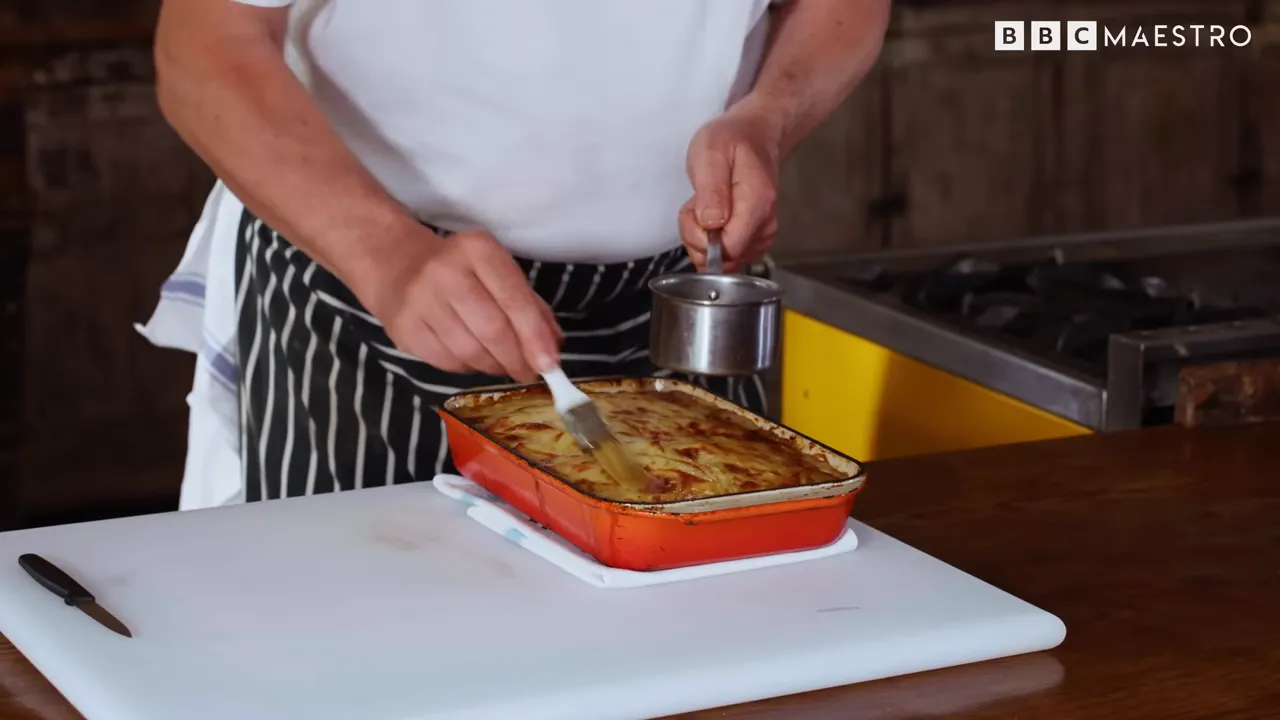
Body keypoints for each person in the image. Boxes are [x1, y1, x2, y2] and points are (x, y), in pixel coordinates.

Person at [138, 0, 890, 508]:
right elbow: (207, 42)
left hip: (690, 291)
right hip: (378, 294)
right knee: (371, 654)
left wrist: (770, 116)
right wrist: (386, 256)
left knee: (714, 651)